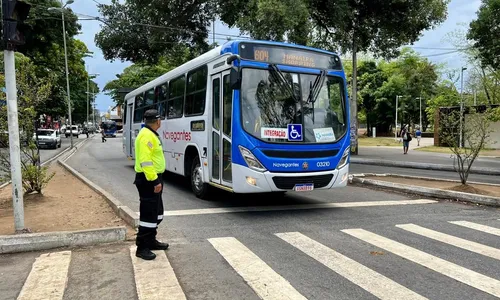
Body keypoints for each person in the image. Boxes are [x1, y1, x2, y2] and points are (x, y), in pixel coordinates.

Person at [134, 109, 168, 260]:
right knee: (148, 214)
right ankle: (142, 247)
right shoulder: (146, 136)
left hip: (153, 178)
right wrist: (154, 180)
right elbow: (145, 161)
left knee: (156, 212)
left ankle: (151, 240)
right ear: (157, 121)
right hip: (148, 180)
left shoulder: (150, 133)